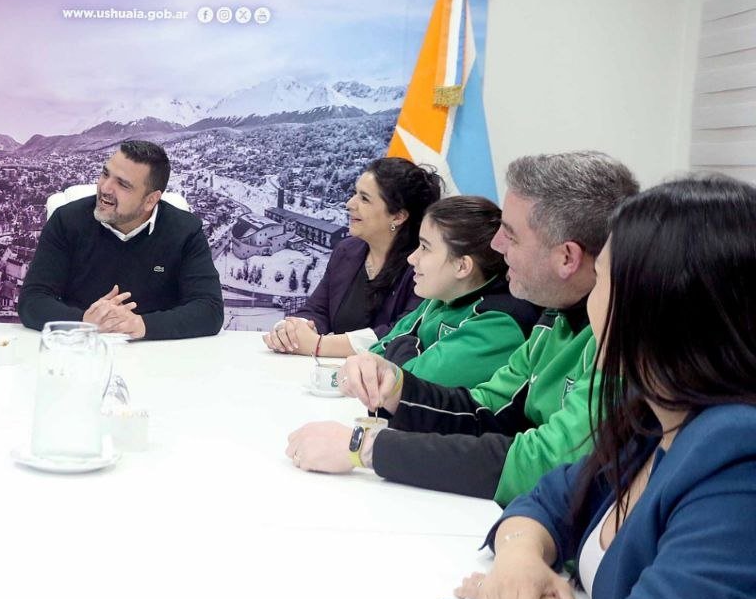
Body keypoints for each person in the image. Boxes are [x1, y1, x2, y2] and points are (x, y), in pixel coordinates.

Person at [454, 176, 756, 599]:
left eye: (601, 280)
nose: (592, 297)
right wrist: (521, 559)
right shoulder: (652, 416)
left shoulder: (736, 458)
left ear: (652, 306)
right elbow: (548, 498)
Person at [285, 152, 639, 505]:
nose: (497, 246)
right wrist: (397, 387)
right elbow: (486, 409)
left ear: (567, 258)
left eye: (511, 236)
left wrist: (365, 448)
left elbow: (544, 462)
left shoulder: (620, 343)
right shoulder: (555, 318)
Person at [17, 140, 223, 340]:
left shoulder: (185, 231)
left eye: (123, 184)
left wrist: (141, 325)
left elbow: (209, 309)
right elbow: (33, 300)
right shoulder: (67, 220)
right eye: (105, 174)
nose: (105, 188)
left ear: (150, 200)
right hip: (82, 348)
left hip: (156, 351)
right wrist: (84, 322)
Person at [264, 157, 441, 358]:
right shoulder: (346, 250)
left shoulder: (422, 266)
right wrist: (293, 331)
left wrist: (320, 345)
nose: (349, 204)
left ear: (398, 216)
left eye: (364, 199)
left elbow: (403, 333)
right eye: (355, 193)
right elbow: (317, 311)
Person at [367, 195, 539, 389]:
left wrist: (402, 344)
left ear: (462, 266)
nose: (412, 258)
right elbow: (375, 354)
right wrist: (408, 349)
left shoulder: (499, 323)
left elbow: (412, 385)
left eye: (425, 247)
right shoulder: (444, 295)